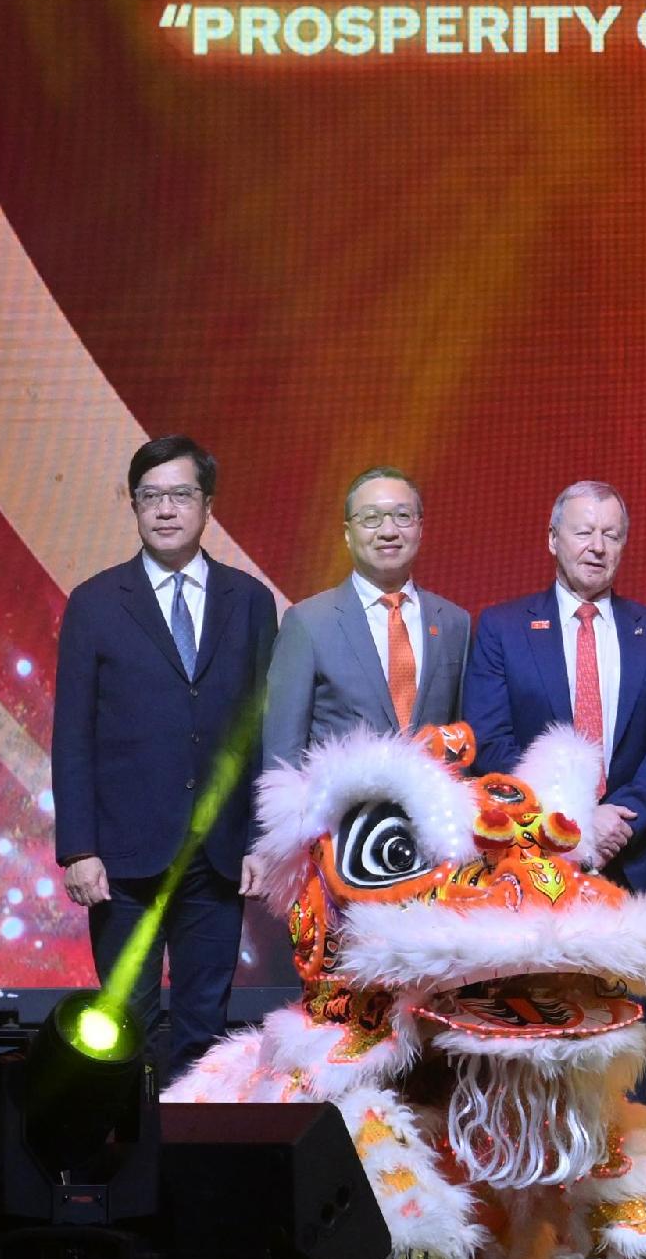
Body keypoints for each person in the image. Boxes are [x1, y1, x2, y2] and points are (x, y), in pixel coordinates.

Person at [51, 435, 280, 1069]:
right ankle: (134, 1134)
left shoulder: (251, 602)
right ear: (134, 506)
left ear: (207, 505)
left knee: (205, 1026)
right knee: (124, 1027)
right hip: (122, 857)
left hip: (218, 853)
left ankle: (190, 1131)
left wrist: (261, 838)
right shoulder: (95, 603)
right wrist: (78, 848)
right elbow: (72, 735)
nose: (166, 509)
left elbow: (263, 731)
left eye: (181, 494)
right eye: (150, 496)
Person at [463, 481, 646, 906]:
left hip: (634, 855)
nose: (598, 547)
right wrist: (575, 817)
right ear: (553, 539)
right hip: (534, 858)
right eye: (584, 532)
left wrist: (619, 821)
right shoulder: (502, 628)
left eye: (611, 535)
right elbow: (491, 740)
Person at [259, 465, 469, 768]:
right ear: (348, 534)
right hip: (341, 799)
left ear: (420, 528)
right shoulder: (307, 623)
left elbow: (460, 741)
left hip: (433, 798)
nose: (388, 531)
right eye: (371, 518)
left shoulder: (454, 622)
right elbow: (282, 758)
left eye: (402, 516)